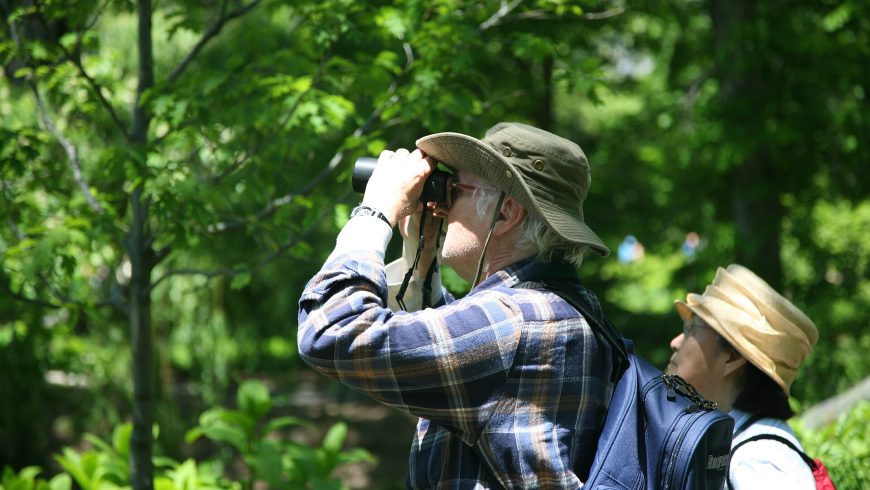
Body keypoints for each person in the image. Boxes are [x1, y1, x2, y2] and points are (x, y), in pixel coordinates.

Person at [297, 122, 617, 489]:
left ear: (505, 213)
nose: (443, 205)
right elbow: (447, 360)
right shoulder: (560, 307)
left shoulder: (517, 322)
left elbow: (330, 331)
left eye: (455, 189)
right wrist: (422, 256)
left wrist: (375, 212)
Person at [666, 264, 819, 489]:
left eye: (691, 329)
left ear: (732, 357)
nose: (675, 342)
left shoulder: (758, 461)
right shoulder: (733, 445)